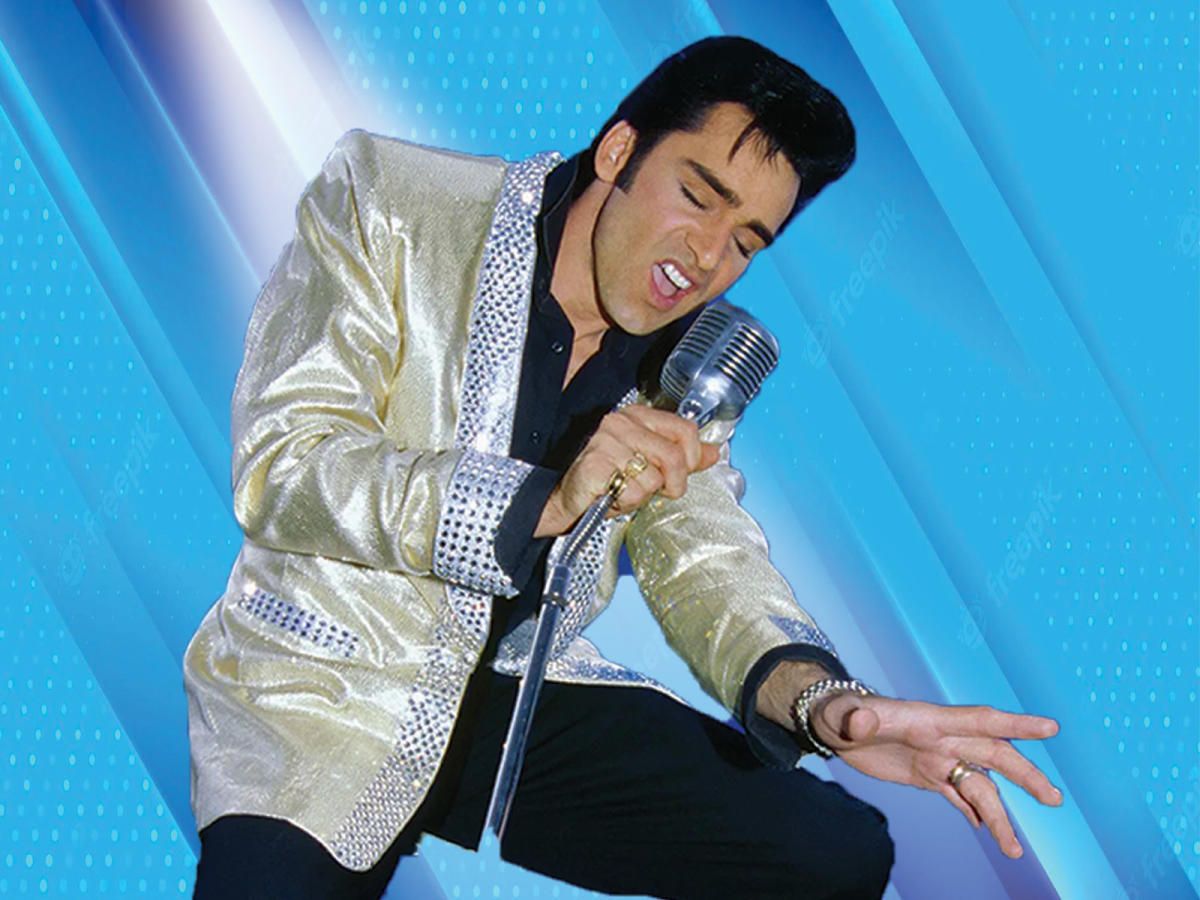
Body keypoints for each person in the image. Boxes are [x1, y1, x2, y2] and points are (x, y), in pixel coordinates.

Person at [184, 36, 1063, 899]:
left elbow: (707, 559)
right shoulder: (396, 198)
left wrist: (822, 704)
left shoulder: (688, 363)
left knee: (835, 851)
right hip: (330, 682)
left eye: (746, 240)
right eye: (698, 196)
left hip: (515, 691)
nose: (708, 255)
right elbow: (287, 463)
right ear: (618, 151)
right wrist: (544, 501)